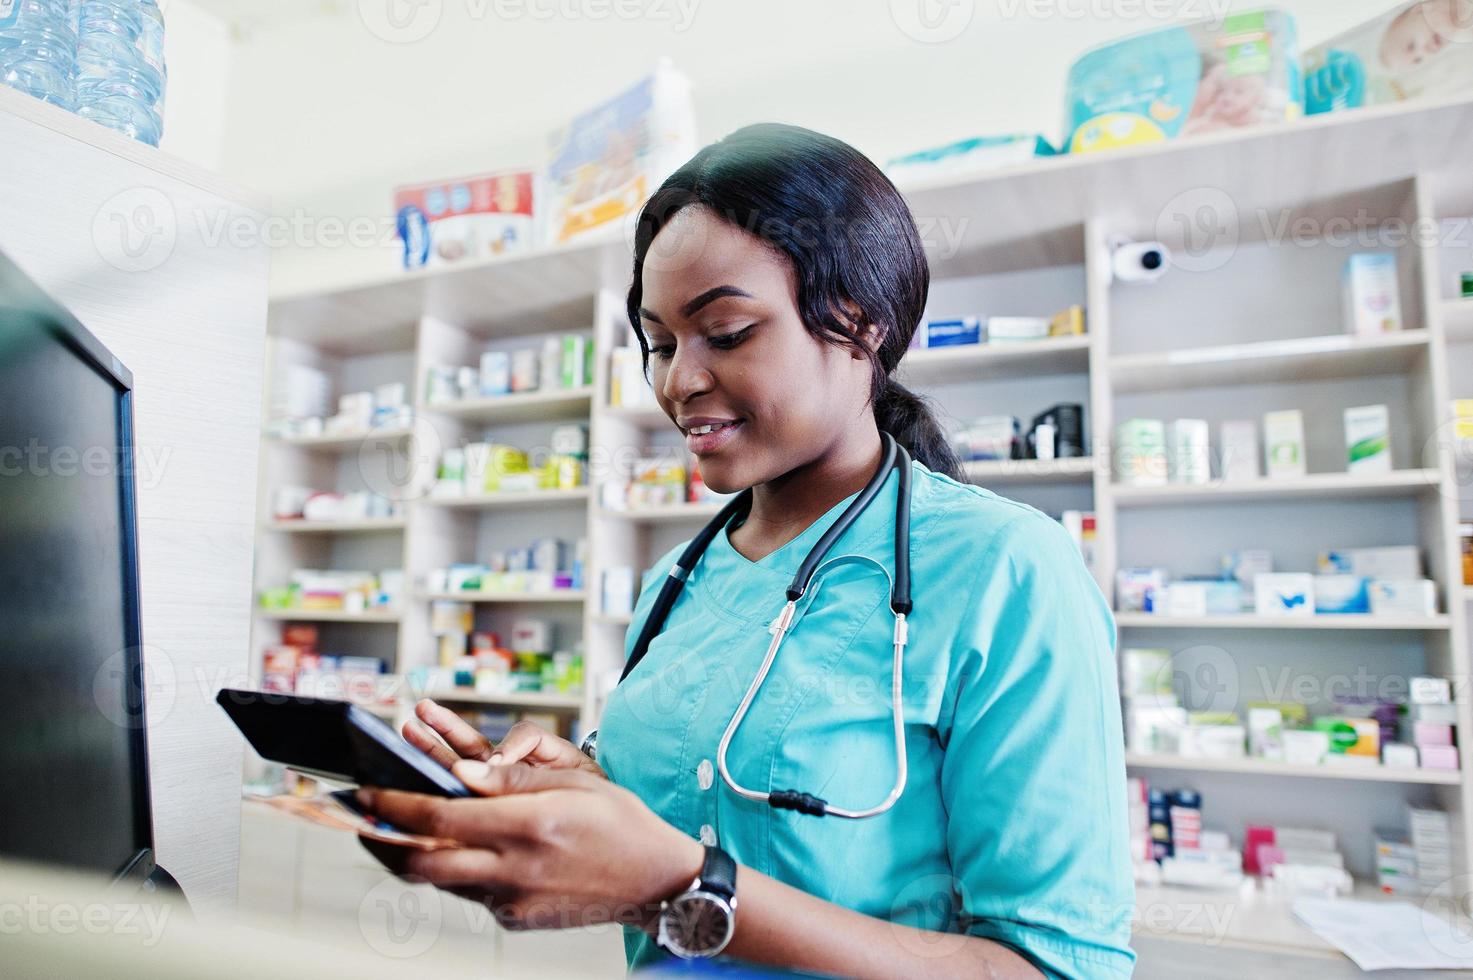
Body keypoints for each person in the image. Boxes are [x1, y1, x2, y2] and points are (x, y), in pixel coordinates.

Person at [357, 122, 1136, 979]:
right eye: (657, 343)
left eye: (724, 333)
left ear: (859, 324)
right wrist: (576, 790)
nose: (676, 381)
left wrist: (681, 887)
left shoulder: (1006, 570)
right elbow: (695, 809)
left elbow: (1056, 967)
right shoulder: (676, 579)